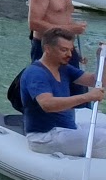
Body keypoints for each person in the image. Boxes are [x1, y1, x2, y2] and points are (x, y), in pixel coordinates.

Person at [18, 28, 105, 156]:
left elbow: (95, 81)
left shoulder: (63, 68)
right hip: (45, 137)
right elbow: (47, 105)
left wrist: (102, 59)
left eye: (70, 50)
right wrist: (87, 97)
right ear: (47, 49)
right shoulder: (35, 73)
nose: (69, 54)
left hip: (67, 129)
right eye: (64, 50)